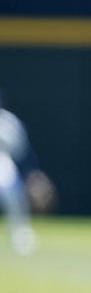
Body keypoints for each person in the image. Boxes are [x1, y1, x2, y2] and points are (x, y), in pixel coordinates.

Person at [0, 100, 56, 255]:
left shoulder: (8, 121)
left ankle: (19, 234)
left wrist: (31, 174)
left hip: (3, 163)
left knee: (14, 196)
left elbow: (23, 153)